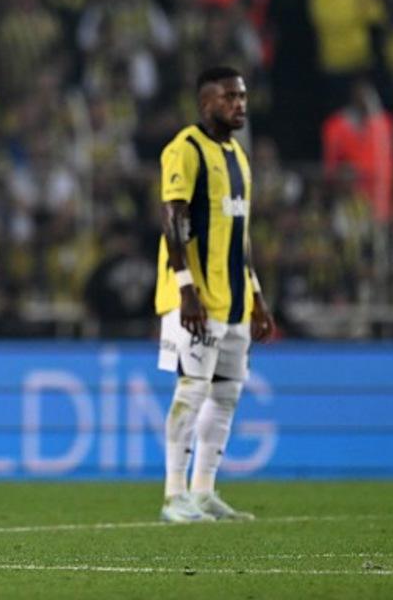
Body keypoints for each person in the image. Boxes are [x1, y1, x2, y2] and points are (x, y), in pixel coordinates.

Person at [154, 66, 274, 522]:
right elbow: (172, 219)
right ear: (206, 103)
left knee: (225, 395)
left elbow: (238, 235)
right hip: (196, 301)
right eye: (229, 97)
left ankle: (203, 490)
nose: (239, 104)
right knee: (192, 389)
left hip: (235, 300)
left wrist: (257, 295)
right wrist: (186, 290)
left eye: (242, 96)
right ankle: (173, 496)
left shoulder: (239, 158)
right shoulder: (185, 150)